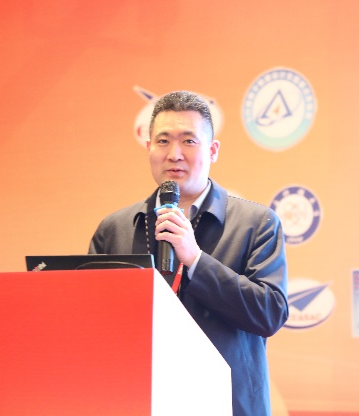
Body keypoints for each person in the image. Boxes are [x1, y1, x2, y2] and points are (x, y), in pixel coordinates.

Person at [89, 90, 289, 416]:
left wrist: (195, 259)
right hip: (140, 401)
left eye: (189, 141)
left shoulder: (257, 223)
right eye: (163, 141)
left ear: (212, 150)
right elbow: (95, 324)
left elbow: (269, 314)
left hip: (228, 404)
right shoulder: (115, 229)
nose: (174, 154)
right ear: (149, 147)